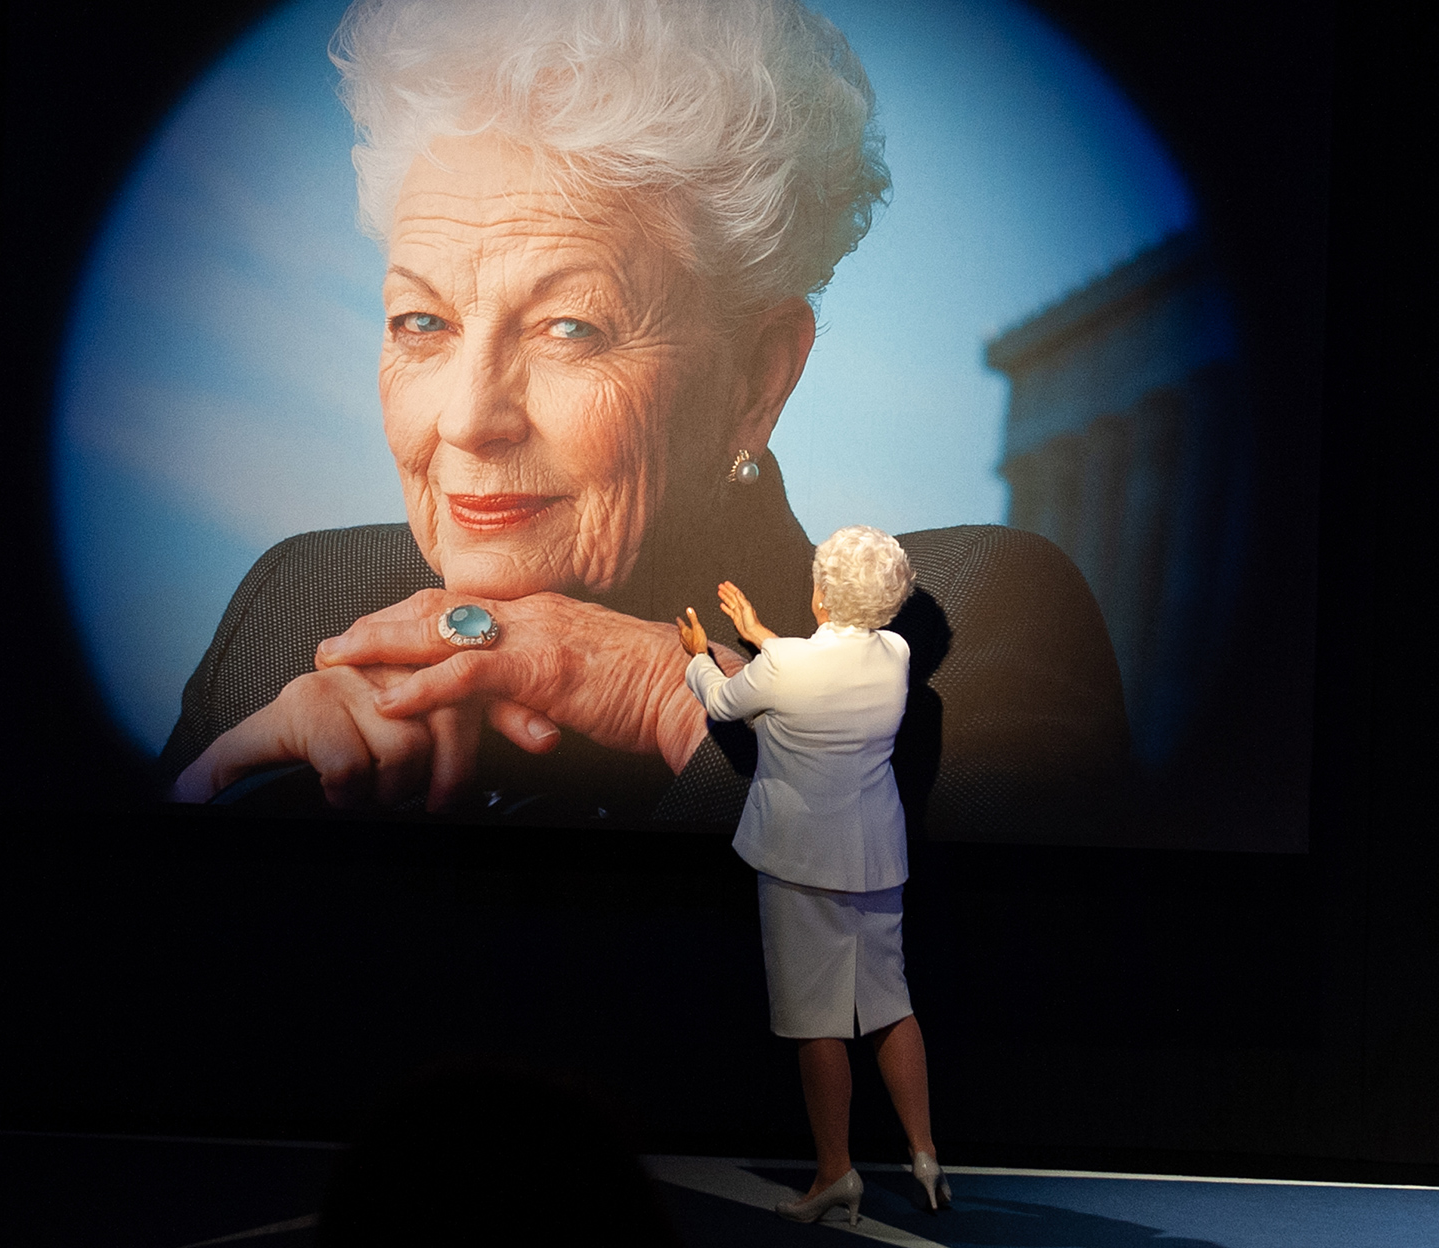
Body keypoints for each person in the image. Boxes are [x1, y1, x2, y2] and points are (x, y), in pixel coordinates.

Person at [161, 0, 1127, 833]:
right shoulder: (303, 601)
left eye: (570, 329)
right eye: (423, 321)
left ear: (756, 379)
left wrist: (676, 696)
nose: (467, 420)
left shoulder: (948, 623)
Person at [678, 525, 948, 1224]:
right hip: (876, 856)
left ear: (823, 593)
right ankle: (924, 1155)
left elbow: (723, 701)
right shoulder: (894, 654)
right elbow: (814, 667)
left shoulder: (789, 668)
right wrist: (766, 634)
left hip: (800, 860)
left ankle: (835, 1172)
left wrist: (700, 654)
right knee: (890, 1004)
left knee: (816, 1022)